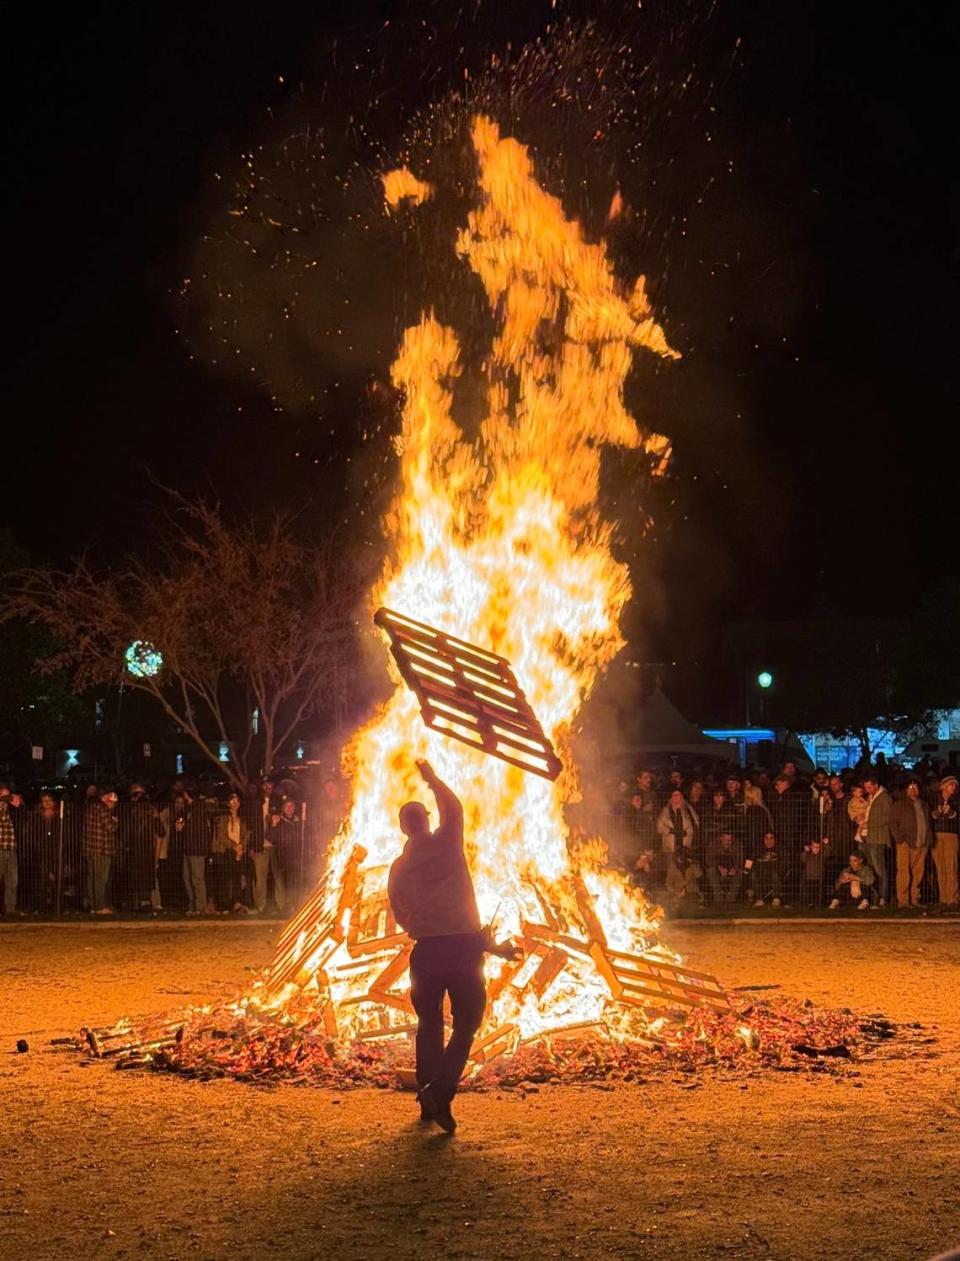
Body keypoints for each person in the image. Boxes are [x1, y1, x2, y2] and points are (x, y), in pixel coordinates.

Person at [387, 759, 516, 1134]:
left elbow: (398, 912)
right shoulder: (446, 842)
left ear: (403, 828)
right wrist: (432, 780)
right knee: (467, 1023)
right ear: (427, 821)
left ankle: (428, 1102)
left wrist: (423, 925)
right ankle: (440, 1092)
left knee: (428, 1025)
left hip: (425, 952)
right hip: (461, 950)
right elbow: (454, 807)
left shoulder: (398, 867)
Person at [655, 790, 702, 904]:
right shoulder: (666, 811)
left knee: (686, 871)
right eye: (674, 795)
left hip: (685, 848)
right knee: (672, 872)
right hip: (671, 848)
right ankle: (675, 896)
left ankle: (688, 894)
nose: (677, 798)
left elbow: (695, 825)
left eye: (679, 795)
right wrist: (671, 831)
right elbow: (659, 827)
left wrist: (686, 832)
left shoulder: (688, 810)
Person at [891, 780, 931, 908]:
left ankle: (915, 898)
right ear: (906, 790)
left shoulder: (924, 805)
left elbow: (928, 823)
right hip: (905, 843)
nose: (913, 790)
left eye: (915, 788)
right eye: (910, 788)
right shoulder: (899, 805)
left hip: (921, 843)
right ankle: (903, 900)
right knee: (904, 872)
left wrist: (928, 839)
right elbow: (892, 823)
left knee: (918, 873)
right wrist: (899, 838)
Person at [21, 792, 59, 913]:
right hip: (41, 851)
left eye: (49, 800)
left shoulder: (59, 816)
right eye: (44, 800)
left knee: (55, 878)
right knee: (41, 879)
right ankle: (41, 905)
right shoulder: (37, 817)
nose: (47, 803)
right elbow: (33, 834)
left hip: (55, 851)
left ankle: (56, 905)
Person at [83, 787, 118, 914]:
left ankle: (92, 905)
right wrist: (115, 822)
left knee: (91, 877)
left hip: (90, 848)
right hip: (102, 848)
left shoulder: (90, 808)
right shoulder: (103, 809)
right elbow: (110, 827)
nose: (112, 804)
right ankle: (99, 906)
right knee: (100, 878)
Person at [860, 774, 893, 907]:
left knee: (879, 869)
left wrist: (869, 824)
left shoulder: (885, 798)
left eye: (869, 787)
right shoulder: (872, 797)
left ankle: (883, 897)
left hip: (878, 838)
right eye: (865, 787)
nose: (867, 790)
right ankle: (875, 897)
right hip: (869, 836)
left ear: (876, 785)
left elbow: (888, 817)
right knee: (872, 869)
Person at [212, 791, 247, 913]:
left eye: (237, 801)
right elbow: (221, 836)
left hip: (239, 851)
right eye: (232, 801)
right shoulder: (223, 818)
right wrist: (234, 846)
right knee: (224, 878)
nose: (235, 804)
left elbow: (246, 834)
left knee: (237, 877)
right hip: (226, 851)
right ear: (228, 803)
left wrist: (241, 846)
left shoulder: (242, 819)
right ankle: (224, 905)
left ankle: (237, 903)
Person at [930, 775, 959, 909]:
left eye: (954, 785)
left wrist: (952, 813)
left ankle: (953, 898)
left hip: (951, 835)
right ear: (943, 786)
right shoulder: (934, 799)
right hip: (936, 835)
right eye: (950, 784)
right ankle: (944, 897)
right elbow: (930, 816)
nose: (953, 787)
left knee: (951, 867)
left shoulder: (957, 800)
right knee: (940, 867)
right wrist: (936, 813)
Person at [0, 783, 23, 915]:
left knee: (12, 880)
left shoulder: (12, 811)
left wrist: (15, 802)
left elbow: (21, 811)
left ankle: (10, 909)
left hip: (11, 848)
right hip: (0, 848)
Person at [704, 830, 743, 905]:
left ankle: (730, 900)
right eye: (725, 840)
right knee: (711, 871)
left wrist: (735, 868)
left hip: (731, 869)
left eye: (730, 840)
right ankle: (718, 900)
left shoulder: (738, 845)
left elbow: (740, 860)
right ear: (721, 838)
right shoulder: (713, 845)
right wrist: (719, 867)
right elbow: (708, 860)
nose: (727, 842)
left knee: (740, 873)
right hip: (717, 869)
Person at [748, 831, 783, 907]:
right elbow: (749, 861)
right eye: (766, 838)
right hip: (760, 873)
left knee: (775, 875)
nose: (769, 841)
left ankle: (776, 899)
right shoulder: (757, 849)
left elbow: (784, 864)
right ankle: (759, 899)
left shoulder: (780, 850)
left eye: (771, 838)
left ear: (775, 840)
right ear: (763, 840)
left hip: (775, 873)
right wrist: (747, 870)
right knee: (753, 875)